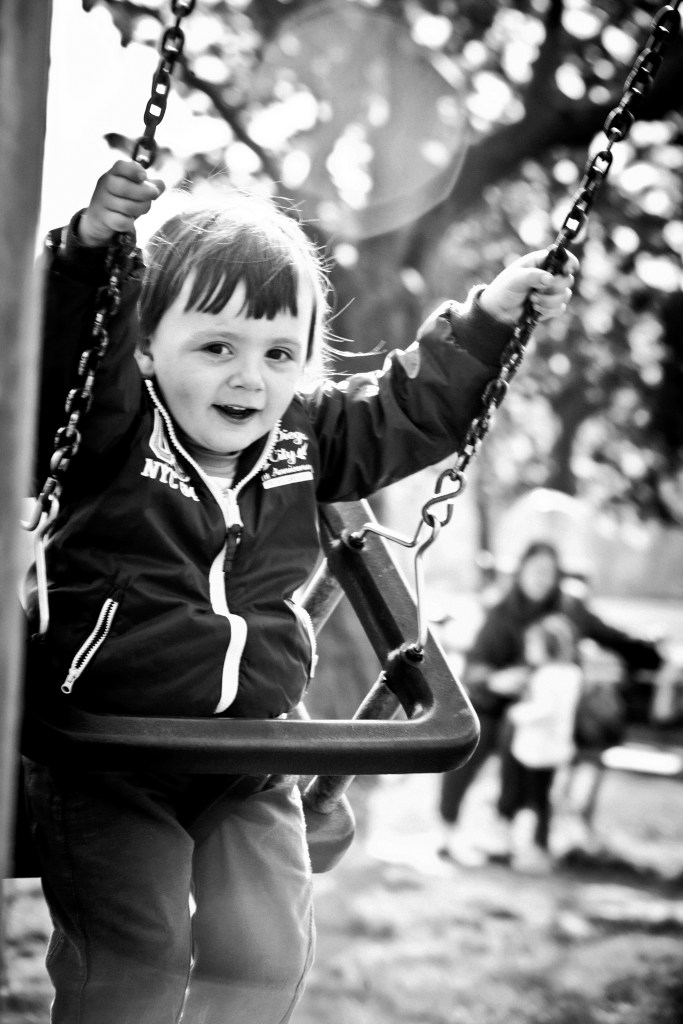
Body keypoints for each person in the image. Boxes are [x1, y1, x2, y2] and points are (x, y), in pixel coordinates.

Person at [21, 158, 576, 1024]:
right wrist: (90, 256)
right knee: (139, 958)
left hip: (249, 757)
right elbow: (59, 365)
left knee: (265, 952)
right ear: (143, 346)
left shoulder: (306, 438)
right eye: (217, 346)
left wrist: (489, 321)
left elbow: (406, 409)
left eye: (279, 352)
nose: (250, 378)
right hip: (111, 753)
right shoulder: (110, 429)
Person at [438, 540, 663, 867]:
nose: (541, 579)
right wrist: (497, 679)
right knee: (469, 734)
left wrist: (654, 652)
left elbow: (614, 637)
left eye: (548, 572)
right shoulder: (502, 612)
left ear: (557, 576)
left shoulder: (570, 609)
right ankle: (448, 827)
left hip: (549, 713)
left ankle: (507, 825)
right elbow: (475, 666)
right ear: (521, 572)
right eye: (535, 571)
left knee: (521, 739)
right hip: (503, 706)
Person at [497, 613, 583, 873]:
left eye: (532, 645)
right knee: (543, 799)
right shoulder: (572, 673)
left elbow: (545, 709)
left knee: (528, 798)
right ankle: (537, 847)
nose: (528, 650)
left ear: (549, 647)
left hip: (534, 749)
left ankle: (527, 848)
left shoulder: (546, 675)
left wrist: (517, 713)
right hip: (555, 747)